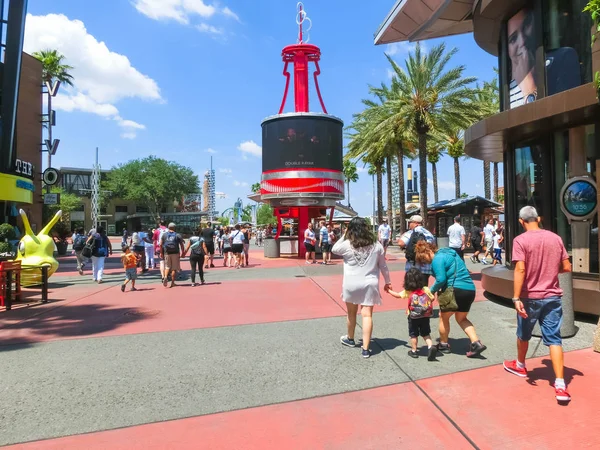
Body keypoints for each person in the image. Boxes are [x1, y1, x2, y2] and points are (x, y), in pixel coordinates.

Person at [503, 206, 572, 402]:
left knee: (523, 333)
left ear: (521, 221)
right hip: (552, 296)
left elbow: (521, 270)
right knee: (554, 338)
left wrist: (516, 298)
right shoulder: (555, 238)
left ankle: (520, 364)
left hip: (529, 296)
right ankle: (560, 384)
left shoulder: (520, 240)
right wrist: (550, 270)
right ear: (538, 218)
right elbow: (567, 267)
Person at [333, 217, 392, 359]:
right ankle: (365, 348)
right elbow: (383, 265)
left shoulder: (347, 244)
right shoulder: (376, 245)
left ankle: (350, 338)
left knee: (351, 313)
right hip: (369, 283)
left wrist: (345, 233)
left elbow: (334, 248)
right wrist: (387, 281)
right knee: (367, 315)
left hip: (351, 283)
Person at [416, 241, 487, 358]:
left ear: (427, 251)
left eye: (423, 258)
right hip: (469, 290)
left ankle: (443, 344)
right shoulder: (452, 254)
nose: (424, 262)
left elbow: (441, 279)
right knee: (462, 318)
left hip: (454, 290)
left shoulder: (437, 259)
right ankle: (476, 343)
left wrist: (431, 292)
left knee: (443, 317)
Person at [387, 267, 436, 361]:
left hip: (413, 316)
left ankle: (414, 351)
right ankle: (430, 346)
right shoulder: (425, 289)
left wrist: (389, 291)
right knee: (426, 333)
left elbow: (397, 296)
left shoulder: (408, 291)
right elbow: (432, 298)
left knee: (413, 334)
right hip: (425, 315)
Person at [507, 7, 537, 108]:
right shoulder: (508, 91)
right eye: (513, 39)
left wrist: (529, 87)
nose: (522, 41)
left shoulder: (559, 59)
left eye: (526, 26)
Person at [397, 215, 435, 285]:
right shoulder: (429, 234)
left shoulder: (411, 232)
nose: (409, 224)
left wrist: (403, 235)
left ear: (415, 223)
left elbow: (401, 243)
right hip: (426, 267)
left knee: (412, 290)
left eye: (410, 222)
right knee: (424, 289)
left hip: (413, 267)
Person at [160, 222, 185, 288]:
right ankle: (172, 283)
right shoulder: (177, 235)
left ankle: (165, 277)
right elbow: (182, 245)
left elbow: (160, 244)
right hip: (175, 253)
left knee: (167, 267)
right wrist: (183, 252)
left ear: (168, 227)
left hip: (167, 253)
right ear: (174, 227)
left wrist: (161, 253)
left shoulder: (164, 235)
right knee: (174, 268)